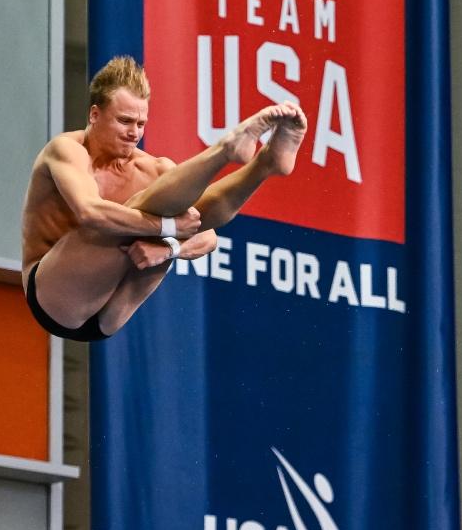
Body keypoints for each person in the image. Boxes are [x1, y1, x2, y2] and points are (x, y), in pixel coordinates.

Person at [20, 55, 307, 341]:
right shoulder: (66, 150)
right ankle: (225, 150)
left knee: (174, 211)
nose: (134, 133)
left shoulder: (153, 169)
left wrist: (170, 247)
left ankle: (265, 164)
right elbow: (90, 213)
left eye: (141, 124)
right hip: (55, 298)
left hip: (112, 314)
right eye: (125, 121)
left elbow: (207, 235)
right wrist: (167, 228)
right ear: (95, 115)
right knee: (131, 215)